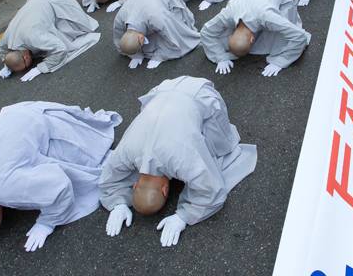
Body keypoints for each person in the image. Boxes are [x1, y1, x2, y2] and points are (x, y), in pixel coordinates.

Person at [98, 76, 257, 248]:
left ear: (166, 190)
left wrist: (184, 216)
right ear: (136, 185)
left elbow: (212, 191)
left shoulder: (183, 160)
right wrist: (118, 205)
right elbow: (108, 179)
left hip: (200, 95)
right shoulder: (126, 152)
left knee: (222, 148)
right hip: (160, 90)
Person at [0, 102, 119, 251]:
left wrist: (48, 222)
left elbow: (59, 184)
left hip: (39, 122)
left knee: (81, 161)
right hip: (11, 114)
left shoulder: (4, 188)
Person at [200, 0, 311, 77]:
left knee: (282, 34)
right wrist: (220, 57)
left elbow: (299, 36)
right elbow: (205, 32)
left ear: (230, 36)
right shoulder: (227, 13)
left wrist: (280, 61)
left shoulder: (267, 16)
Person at [0, 0, 100, 81]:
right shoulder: (6, 39)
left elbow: (60, 49)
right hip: (36, 1)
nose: (26, 69)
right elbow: (0, 48)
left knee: (77, 28)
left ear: (26, 57)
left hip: (58, 1)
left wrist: (41, 68)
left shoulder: (33, 37)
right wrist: (6, 63)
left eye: (25, 68)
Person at [113, 0, 201, 69]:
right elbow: (118, 38)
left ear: (140, 38)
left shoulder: (156, 17)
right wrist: (135, 55)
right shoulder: (119, 20)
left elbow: (172, 36)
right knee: (148, 44)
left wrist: (159, 57)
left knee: (175, 28)